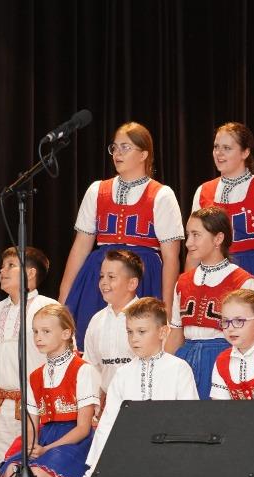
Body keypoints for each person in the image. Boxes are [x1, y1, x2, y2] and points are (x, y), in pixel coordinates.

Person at [60, 122, 183, 349]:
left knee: (139, 342)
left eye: (125, 147)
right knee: (93, 343)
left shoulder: (162, 195)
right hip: (99, 274)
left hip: (142, 274)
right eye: (114, 147)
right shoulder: (97, 190)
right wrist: (64, 298)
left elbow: (171, 257)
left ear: (143, 154)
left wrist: (166, 308)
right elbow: (80, 247)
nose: (117, 153)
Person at [83, 297, 199, 477]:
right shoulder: (123, 374)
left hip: (169, 452)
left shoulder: (179, 368)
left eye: (142, 332)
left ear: (163, 332)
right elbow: (108, 423)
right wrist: (98, 466)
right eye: (129, 332)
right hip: (131, 451)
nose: (134, 338)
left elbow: (189, 418)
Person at [0, 305, 100, 477]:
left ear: (66, 333)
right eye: (35, 331)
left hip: (74, 440)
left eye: (46, 331)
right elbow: (31, 425)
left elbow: (83, 428)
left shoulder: (83, 370)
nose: (38, 337)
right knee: (12, 473)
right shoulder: (35, 376)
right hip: (45, 437)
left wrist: (47, 449)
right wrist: (32, 446)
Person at [191, 122, 254, 312]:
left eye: (227, 148)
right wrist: (190, 288)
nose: (219, 153)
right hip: (212, 275)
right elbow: (194, 249)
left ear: (245, 152)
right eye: (216, 147)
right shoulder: (203, 191)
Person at [166, 206, 254, 399]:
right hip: (185, 360)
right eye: (188, 235)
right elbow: (176, 333)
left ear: (218, 238)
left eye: (196, 235)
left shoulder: (242, 281)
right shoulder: (183, 281)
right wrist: (162, 367)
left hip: (224, 359)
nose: (188, 243)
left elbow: (253, 338)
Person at [0, 246, 58, 458]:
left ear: (31, 273)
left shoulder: (48, 307)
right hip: (2, 402)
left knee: (34, 460)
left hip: (37, 401)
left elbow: (62, 355)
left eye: (11, 265)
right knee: (6, 464)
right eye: (2, 266)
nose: (2, 271)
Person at [82, 249, 143, 402]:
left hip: (142, 403)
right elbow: (91, 368)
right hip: (108, 404)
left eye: (111, 277)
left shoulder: (149, 317)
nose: (104, 282)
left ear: (132, 283)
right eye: (102, 276)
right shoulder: (97, 320)